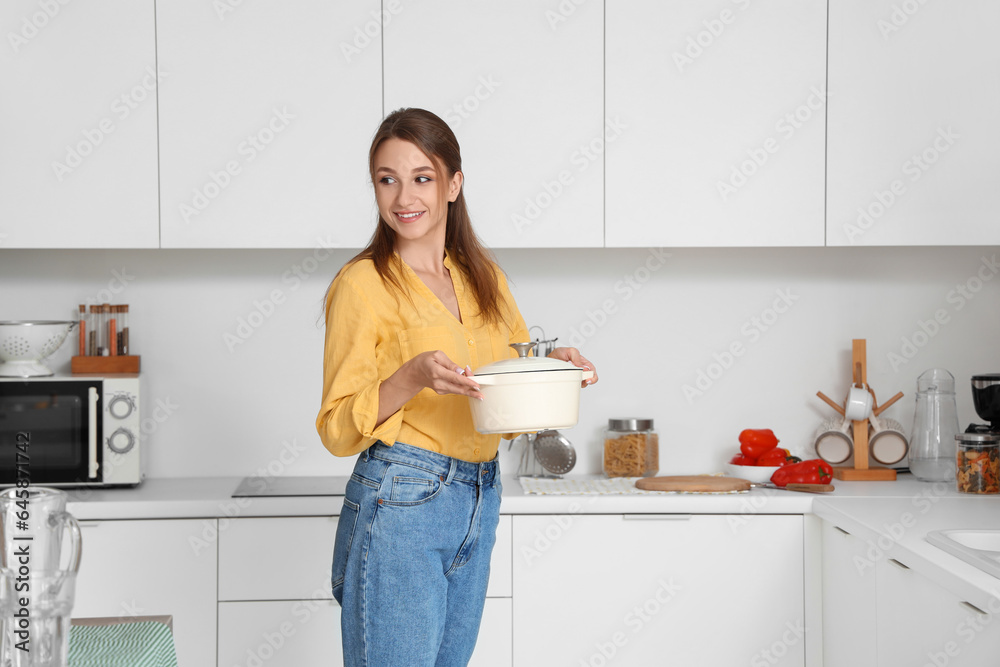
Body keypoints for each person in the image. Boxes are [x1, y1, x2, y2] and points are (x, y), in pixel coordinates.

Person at [316, 107, 597, 666]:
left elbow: (508, 397)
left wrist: (556, 370)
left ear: (454, 184)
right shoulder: (362, 284)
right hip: (401, 497)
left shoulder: (482, 278)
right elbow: (335, 428)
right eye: (386, 179)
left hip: (479, 495)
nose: (403, 197)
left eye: (421, 177)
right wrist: (409, 377)